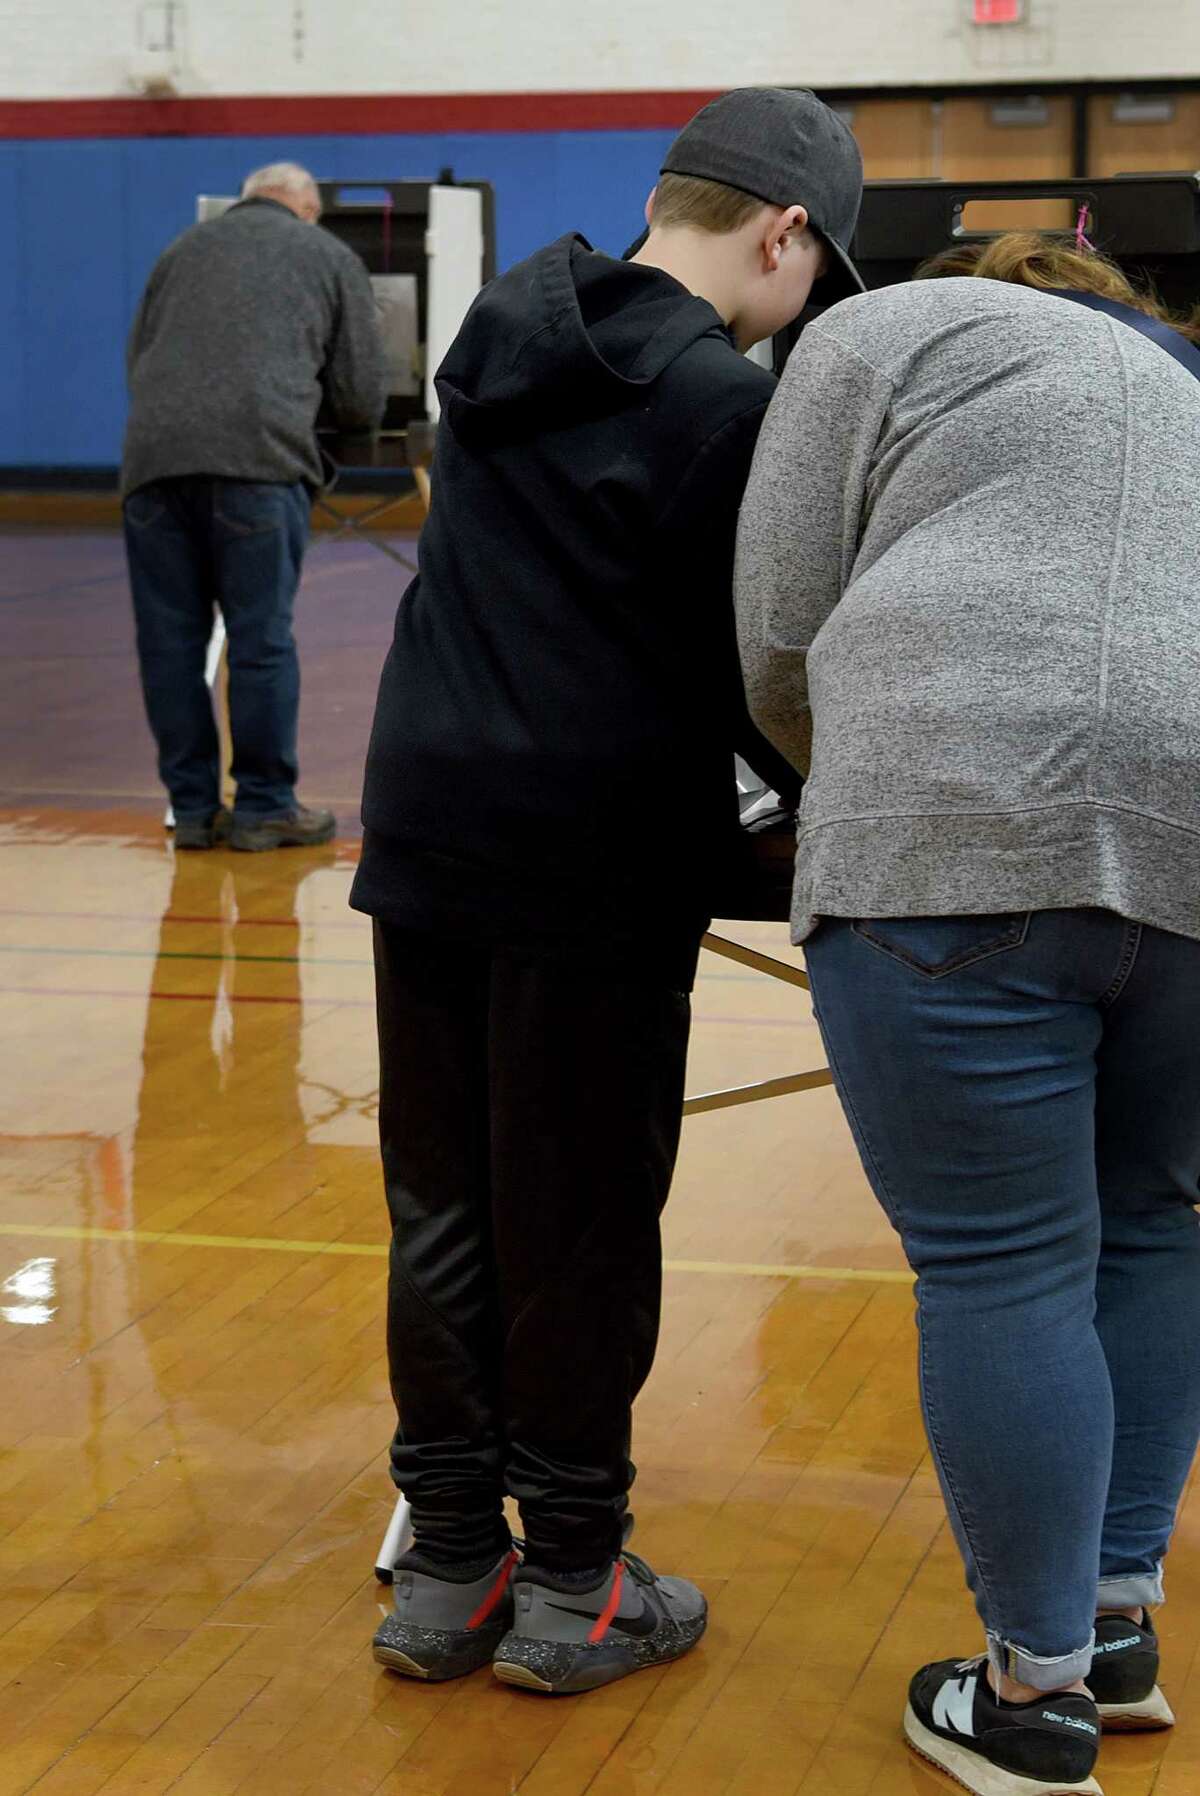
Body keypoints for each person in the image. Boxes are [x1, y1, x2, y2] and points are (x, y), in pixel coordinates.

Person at [352, 89, 863, 1694]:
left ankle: (450, 1566)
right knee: (576, 1223)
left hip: (428, 821)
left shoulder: (500, 328)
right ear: (784, 234)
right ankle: (575, 1576)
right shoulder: (720, 403)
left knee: (443, 1207)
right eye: (815, 280)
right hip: (587, 858)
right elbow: (751, 668)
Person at [734, 232, 1200, 1796]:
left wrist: (842, 778)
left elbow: (782, 624)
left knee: (1004, 1264)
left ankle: (1030, 1701)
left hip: (953, 811)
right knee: (1159, 1222)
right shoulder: (1185, 383)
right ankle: (1115, 1637)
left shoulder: (886, 330)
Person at [122, 161, 386, 851]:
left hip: (154, 465)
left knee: (170, 646)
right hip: (258, 463)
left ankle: (193, 810)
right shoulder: (327, 253)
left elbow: (138, 360)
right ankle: (265, 807)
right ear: (306, 208)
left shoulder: (177, 252)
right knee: (259, 640)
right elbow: (361, 394)